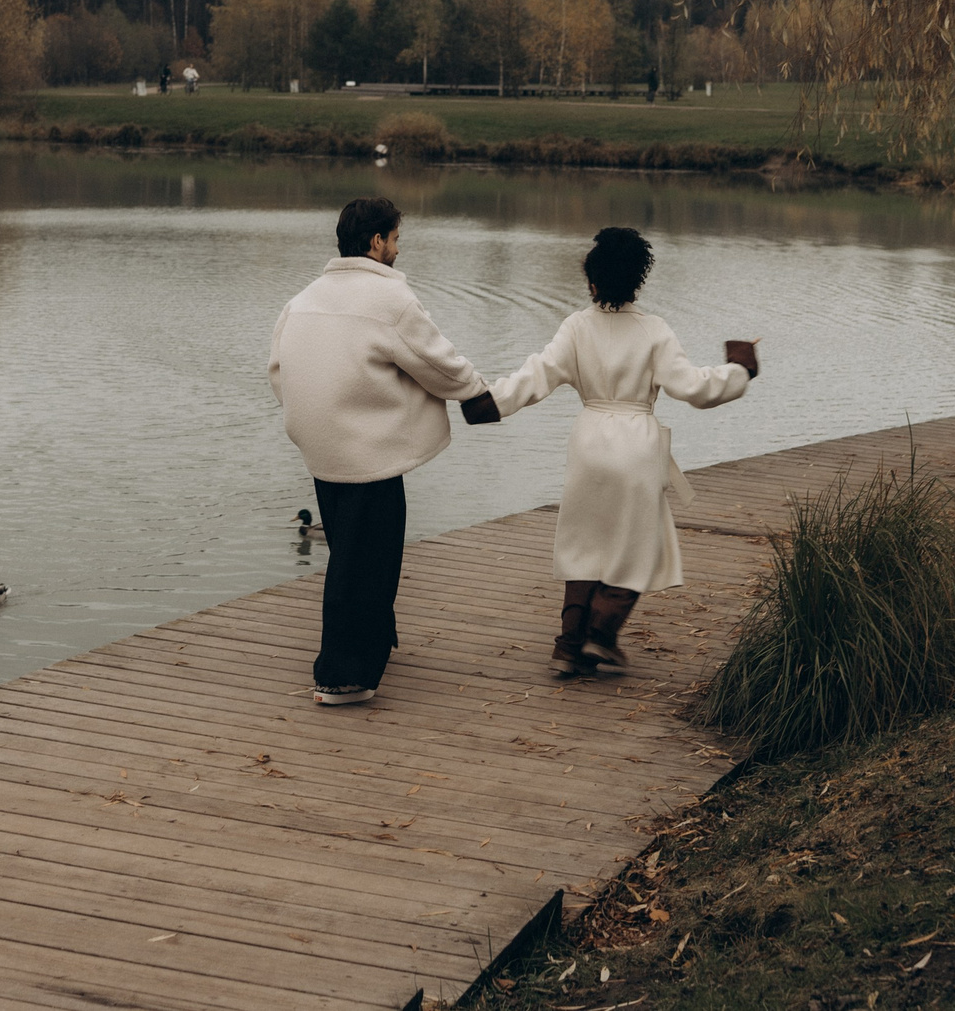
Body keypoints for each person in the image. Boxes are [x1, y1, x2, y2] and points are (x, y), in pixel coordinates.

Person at [489, 226, 760, 678]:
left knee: (584, 542)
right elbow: (694, 388)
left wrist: (488, 402)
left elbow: (535, 376)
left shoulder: (575, 327)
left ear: (592, 282)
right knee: (638, 545)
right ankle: (601, 634)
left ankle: (568, 645)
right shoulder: (654, 331)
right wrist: (740, 368)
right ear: (638, 280)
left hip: (589, 442)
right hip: (636, 444)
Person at [269, 196, 500, 706]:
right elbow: (436, 363)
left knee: (351, 547)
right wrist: (478, 391)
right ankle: (343, 675)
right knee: (368, 558)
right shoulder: (389, 301)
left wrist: (314, 417)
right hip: (367, 450)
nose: (398, 249)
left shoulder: (302, 299)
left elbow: (279, 371)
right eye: (395, 239)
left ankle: (378, 638)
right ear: (376, 241)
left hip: (321, 445)